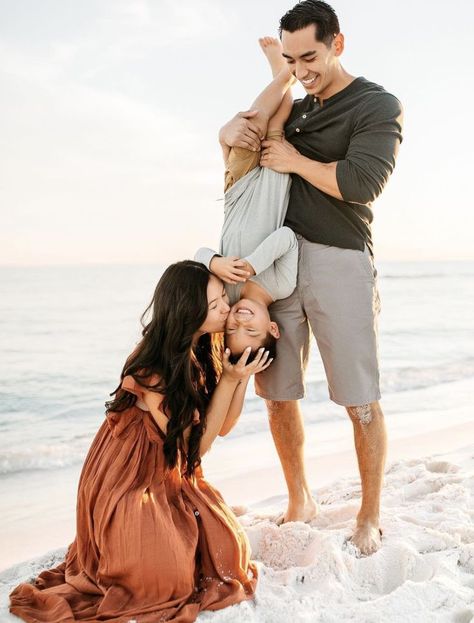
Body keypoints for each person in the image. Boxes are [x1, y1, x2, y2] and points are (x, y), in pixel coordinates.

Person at [218, 0, 403, 555]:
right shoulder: (296, 106)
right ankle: (300, 498)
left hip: (338, 257)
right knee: (276, 392)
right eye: (292, 58)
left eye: (311, 56)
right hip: (276, 264)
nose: (303, 69)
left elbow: (361, 183)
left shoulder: (376, 104)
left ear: (337, 44)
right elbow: (249, 132)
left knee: (360, 398)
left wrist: (294, 161)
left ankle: (369, 514)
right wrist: (231, 130)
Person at [10, 260, 272, 623]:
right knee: (163, 576)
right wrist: (229, 381)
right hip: (126, 479)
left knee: (227, 546)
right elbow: (194, 449)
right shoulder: (154, 366)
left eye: (221, 301)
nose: (227, 309)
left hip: (166, 469)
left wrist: (238, 375)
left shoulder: (202, 347)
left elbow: (223, 426)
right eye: (215, 307)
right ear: (188, 313)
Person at [196, 38, 298, 362]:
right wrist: (253, 265)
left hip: (236, 190)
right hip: (273, 179)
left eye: (232, 329)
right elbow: (287, 238)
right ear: (273, 328)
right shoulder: (282, 287)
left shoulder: (228, 292)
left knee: (253, 125)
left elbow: (198, 256)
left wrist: (215, 263)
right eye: (251, 330)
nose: (240, 321)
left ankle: (284, 74)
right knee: (277, 125)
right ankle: (281, 71)